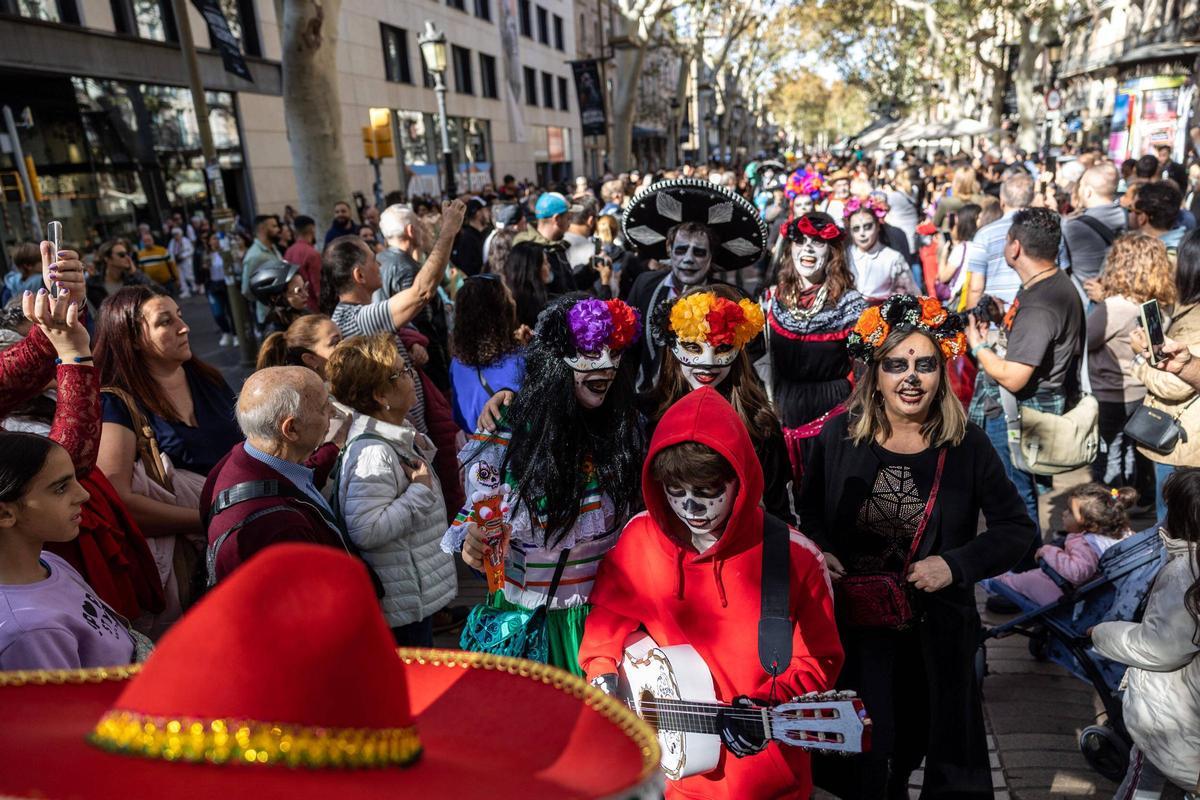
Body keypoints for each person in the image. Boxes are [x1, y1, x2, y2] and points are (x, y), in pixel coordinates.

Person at [801, 296, 1035, 798]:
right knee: (866, 753)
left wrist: (955, 565)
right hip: (858, 631)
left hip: (934, 635)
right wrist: (822, 548)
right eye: (896, 365)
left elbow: (1017, 528)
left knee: (924, 747)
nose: (911, 377)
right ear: (875, 374)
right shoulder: (839, 437)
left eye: (924, 365)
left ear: (941, 372)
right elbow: (810, 512)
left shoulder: (966, 443)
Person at [579, 387, 843, 800]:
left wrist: (766, 706)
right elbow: (606, 621)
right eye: (676, 492)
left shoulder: (794, 557)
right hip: (675, 773)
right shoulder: (639, 540)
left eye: (706, 492)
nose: (691, 508)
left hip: (765, 778)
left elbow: (821, 660)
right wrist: (602, 672)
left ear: (740, 481)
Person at [442, 295, 645, 676]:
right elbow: (482, 534)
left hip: (602, 627)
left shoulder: (628, 430)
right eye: (588, 350)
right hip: (525, 618)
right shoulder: (511, 430)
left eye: (612, 350)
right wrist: (477, 547)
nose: (605, 363)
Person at [320, 200, 466, 514]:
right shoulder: (353, 319)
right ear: (359, 275)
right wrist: (448, 232)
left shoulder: (358, 315)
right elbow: (421, 292)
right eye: (374, 261)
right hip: (399, 447)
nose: (381, 266)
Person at [327, 335, 456, 647]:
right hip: (402, 605)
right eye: (401, 373)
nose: (410, 376)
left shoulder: (387, 435)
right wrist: (420, 492)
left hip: (408, 598)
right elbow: (366, 530)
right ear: (380, 394)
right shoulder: (373, 453)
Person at [965, 208, 1085, 539]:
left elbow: (1014, 376)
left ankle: (1026, 570)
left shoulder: (1042, 303)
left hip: (1015, 418)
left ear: (1015, 248)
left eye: (1005, 240)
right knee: (1018, 494)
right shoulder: (1044, 285)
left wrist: (977, 345)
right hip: (1020, 413)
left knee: (1014, 500)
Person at [94, 286, 241, 536]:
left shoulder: (208, 379)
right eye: (165, 321)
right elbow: (118, 500)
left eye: (180, 315)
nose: (184, 327)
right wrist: (210, 519)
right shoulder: (116, 403)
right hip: (194, 550)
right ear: (131, 339)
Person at [1093, 468, 1200, 799]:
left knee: (1143, 777)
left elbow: (1161, 647)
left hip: (1171, 710)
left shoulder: (1186, 572)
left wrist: (1101, 633)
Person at [647, 286, 794, 522]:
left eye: (723, 348)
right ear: (673, 348)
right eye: (693, 347)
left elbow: (781, 512)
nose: (708, 362)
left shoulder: (760, 426)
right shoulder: (647, 417)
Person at [202, 366, 343, 585]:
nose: (333, 413)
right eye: (324, 407)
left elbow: (295, 486)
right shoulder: (279, 527)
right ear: (291, 429)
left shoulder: (228, 466)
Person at [622, 178, 766, 393]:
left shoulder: (731, 299)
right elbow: (630, 348)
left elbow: (749, 360)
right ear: (669, 250)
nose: (688, 259)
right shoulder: (645, 285)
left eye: (699, 252)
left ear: (711, 256)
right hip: (649, 403)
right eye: (681, 250)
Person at [761, 212, 867, 475]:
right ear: (790, 249)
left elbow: (867, 370)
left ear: (831, 252)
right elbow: (758, 358)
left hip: (834, 415)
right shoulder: (773, 299)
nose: (807, 248)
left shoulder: (850, 304)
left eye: (817, 242)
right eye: (801, 241)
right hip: (785, 411)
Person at [1083, 233, 1175, 492]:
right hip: (1141, 392)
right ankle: (1135, 499)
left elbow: (1086, 341)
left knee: (1107, 455)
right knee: (1130, 450)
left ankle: (1109, 512)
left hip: (1109, 393)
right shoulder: (1160, 306)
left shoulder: (1113, 307)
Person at [1128, 228, 1200, 519]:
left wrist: (1139, 361)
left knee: (1174, 530)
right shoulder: (1189, 308)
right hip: (1184, 444)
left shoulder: (1196, 320)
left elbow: (1174, 384)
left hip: (1185, 446)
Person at [986, 483, 1136, 607]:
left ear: (1091, 524)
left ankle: (998, 583)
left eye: (1070, 512)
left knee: (1032, 580)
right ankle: (1007, 580)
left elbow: (1078, 573)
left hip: (1081, 599)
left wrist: (1048, 551)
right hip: (1108, 592)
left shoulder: (1086, 543)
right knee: (1038, 575)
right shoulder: (1124, 534)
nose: (1064, 514)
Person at [376, 204, 451, 392]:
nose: (422, 230)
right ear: (410, 230)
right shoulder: (406, 268)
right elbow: (422, 321)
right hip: (421, 362)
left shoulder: (380, 260)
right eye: (418, 224)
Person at [449, 273, 526, 433]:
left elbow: (459, 418)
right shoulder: (519, 361)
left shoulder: (457, 364)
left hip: (476, 452)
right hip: (514, 453)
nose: (513, 301)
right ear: (501, 312)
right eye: (509, 296)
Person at [965, 171, 1037, 308]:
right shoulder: (1048, 230)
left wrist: (971, 322)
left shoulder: (985, 234)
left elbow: (976, 287)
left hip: (996, 319)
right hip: (1036, 315)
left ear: (1002, 200)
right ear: (1032, 198)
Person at [845, 197, 918, 305]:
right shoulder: (846, 256)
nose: (862, 233)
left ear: (878, 226)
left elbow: (910, 293)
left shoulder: (893, 258)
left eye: (868, 226)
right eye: (856, 228)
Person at [1062, 163, 1127, 283]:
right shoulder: (1129, 217)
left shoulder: (1072, 226)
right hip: (1119, 289)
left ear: (1088, 191)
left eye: (1080, 186)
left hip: (1086, 295)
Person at [513, 192, 581, 295]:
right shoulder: (529, 250)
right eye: (568, 218)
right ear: (557, 219)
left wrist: (590, 270)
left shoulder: (556, 244)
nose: (570, 223)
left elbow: (567, 286)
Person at [255, 313, 342, 375]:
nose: (346, 345)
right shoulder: (316, 399)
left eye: (343, 339)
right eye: (336, 342)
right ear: (311, 359)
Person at [84, 240, 154, 313]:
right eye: (122, 255)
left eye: (128, 254)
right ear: (107, 259)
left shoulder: (132, 279)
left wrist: (135, 273)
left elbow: (156, 292)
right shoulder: (93, 284)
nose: (128, 258)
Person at [240, 214, 283, 328]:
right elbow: (246, 290)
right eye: (274, 226)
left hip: (282, 312)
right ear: (262, 229)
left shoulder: (273, 248)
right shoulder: (255, 256)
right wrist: (267, 301)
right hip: (269, 317)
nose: (278, 229)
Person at [937, 203, 982, 311]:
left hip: (959, 303)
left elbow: (943, 277)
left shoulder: (962, 249)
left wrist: (943, 256)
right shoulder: (983, 245)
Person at [503, 241, 554, 329]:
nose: (549, 266)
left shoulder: (544, 295)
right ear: (533, 269)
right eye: (545, 263)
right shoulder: (511, 305)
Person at [249, 260, 309, 334]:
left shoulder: (305, 313)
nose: (306, 295)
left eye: (305, 287)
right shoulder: (276, 333)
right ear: (275, 298)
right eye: (298, 291)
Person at [198, 232, 235, 347]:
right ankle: (226, 332)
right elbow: (201, 270)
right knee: (218, 313)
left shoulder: (226, 252)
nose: (216, 241)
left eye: (218, 238)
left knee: (231, 311)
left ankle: (235, 334)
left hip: (227, 284)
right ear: (209, 241)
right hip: (213, 285)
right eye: (213, 238)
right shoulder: (206, 254)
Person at [1132, 180, 1187, 254]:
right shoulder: (1187, 246)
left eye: (1130, 209)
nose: (1129, 214)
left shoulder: (1149, 254)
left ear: (1142, 218)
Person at [283, 215, 323, 313]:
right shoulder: (312, 253)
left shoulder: (289, 252)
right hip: (312, 307)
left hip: (294, 305)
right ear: (312, 229)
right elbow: (317, 285)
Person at [450, 198, 489, 277]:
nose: (488, 213)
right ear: (478, 213)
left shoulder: (476, 235)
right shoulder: (468, 239)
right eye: (484, 210)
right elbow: (469, 269)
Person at [134, 231, 178, 296]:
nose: (147, 242)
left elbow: (172, 265)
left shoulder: (162, 250)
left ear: (153, 240)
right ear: (143, 243)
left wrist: (177, 278)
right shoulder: (140, 254)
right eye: (145, 241)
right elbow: (141, 270)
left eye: (149, 240)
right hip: (151, 285)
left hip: (166, 283)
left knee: (170, 302)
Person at [167, 229, 196, 298]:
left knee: (188, 275)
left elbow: (191, 250)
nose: (176, 236)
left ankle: (194, 285)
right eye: (174, 234)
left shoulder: (185, 240)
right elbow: (170, 252)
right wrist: (173, 260)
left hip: (185, 261)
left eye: (177, 234)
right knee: (181, 277)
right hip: (177, 262)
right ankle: (185, 291)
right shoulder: (172, 242)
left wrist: (183, 256)